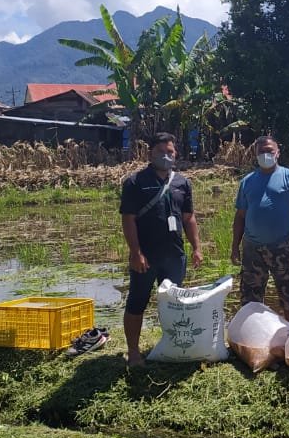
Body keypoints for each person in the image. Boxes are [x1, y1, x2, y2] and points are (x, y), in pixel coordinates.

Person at [68, 132, 203, 366]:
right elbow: (128, 219)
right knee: (137, 301)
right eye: (161, 152)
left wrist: (196, 248)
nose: (166, 156)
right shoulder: (135, 182)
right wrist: (135, 252)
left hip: (174, 255)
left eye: (170, 152)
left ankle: (172, 347)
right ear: (150, 153)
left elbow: (189, 218)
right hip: (146, 256)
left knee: (174, 303)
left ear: (176, 153)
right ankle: (133, 352)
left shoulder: (183, 182)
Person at [232, 134, 289, 323]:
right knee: (250, 297)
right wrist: (235, 246)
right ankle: (254, 335)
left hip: (283, 246)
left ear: (277, 153)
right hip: (252, 248)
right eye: (261, 151)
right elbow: (240, 216)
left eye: (269, 151)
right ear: (255, 154)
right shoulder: (247, 182)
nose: (265, 155)